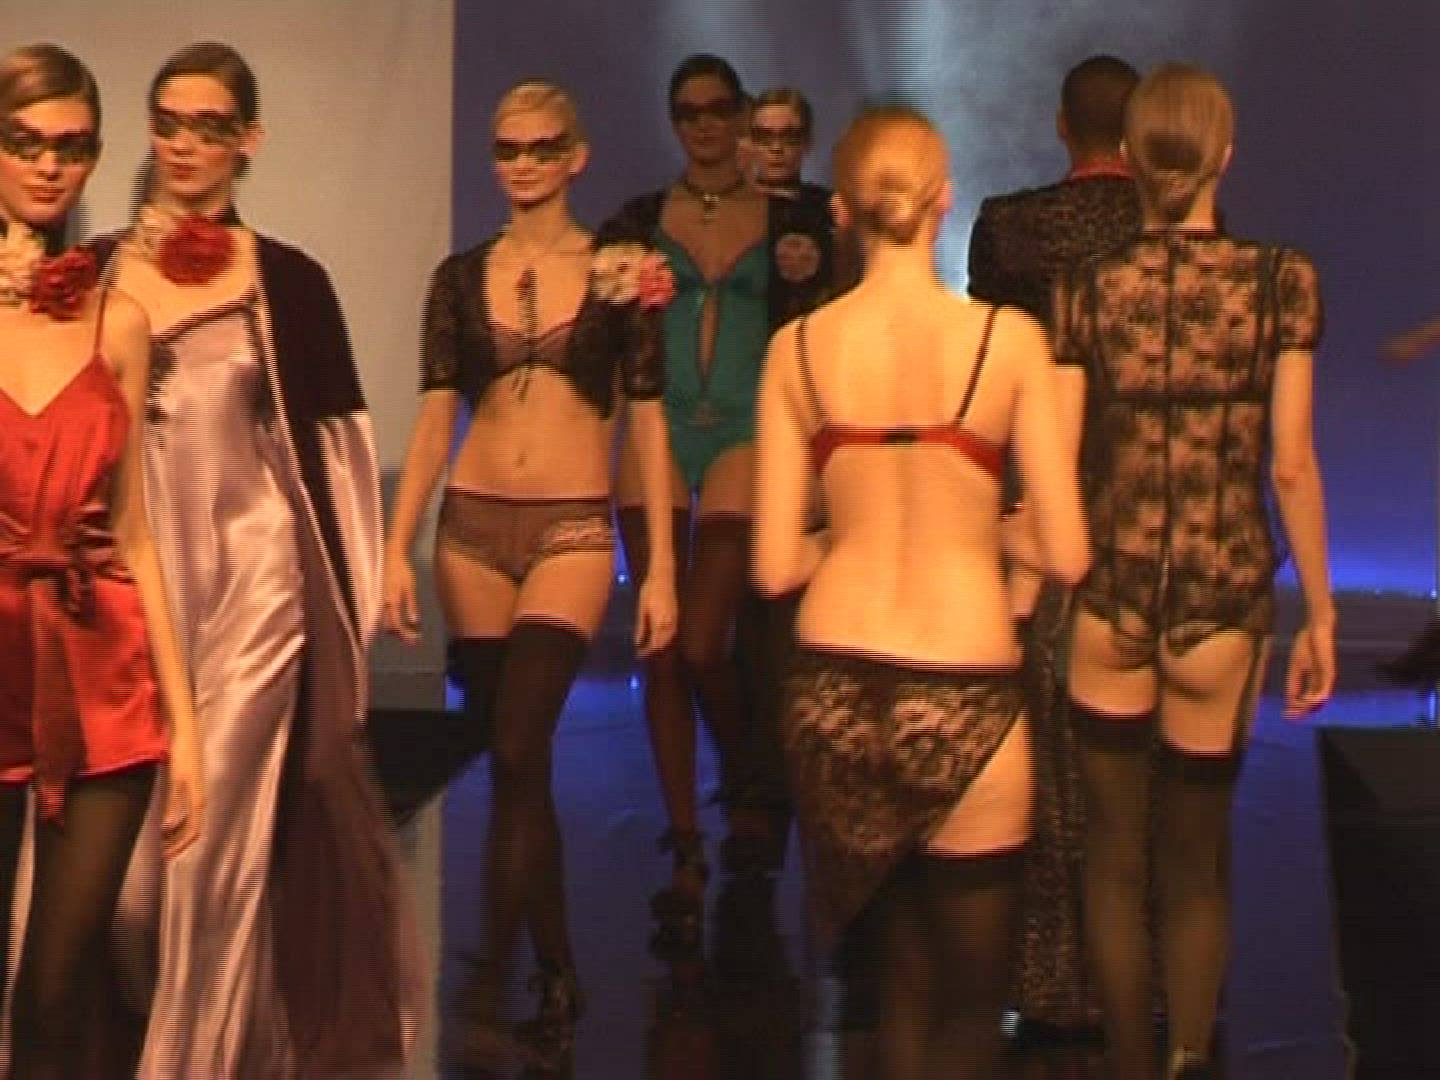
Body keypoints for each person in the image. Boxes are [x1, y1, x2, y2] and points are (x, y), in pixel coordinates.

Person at [91, 41, 419, 1078]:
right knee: (131, 893)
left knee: (209, 852)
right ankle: (242, 1049)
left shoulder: (289, 282)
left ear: (249, 141)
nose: (185, 144)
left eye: (209, 126)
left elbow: (334, 456)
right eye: (169, 123)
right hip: (133, 593)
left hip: (254, 583)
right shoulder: (93, 270)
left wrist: (352, 601)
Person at [754, 103, 1089, 1079]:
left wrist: (848, 532)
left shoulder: (796, 350)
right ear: (945, 202)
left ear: (842, 213)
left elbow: (772, 566)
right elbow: (1069, 553)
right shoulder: (1007, 342)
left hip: (836, 686)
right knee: (970, 1009)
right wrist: (989, 530)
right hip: (962, 675)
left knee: (893, 987)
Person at [382, 79, 678, 1071]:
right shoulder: (459, 277)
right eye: (508, 149)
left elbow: (648, 424)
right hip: (471, 532)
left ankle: (488, 974)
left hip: (572, 530)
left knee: (516, 745)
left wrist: (662, 570)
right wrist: (394, 544)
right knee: (521, 766)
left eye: (543, 147)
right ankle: (554, 972)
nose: (523, 164)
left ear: (576, 156)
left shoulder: (620, 274)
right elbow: (435, 417)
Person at [1051, 64, 1334, 1080]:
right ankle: (1183, 1062)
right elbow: (1290, 465)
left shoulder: (1084, 288)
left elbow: (1063, 461)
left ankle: (1130, 1064)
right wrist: (1323, 615)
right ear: (1226, 153)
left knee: (1112, 863)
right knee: (1195, 865)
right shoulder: (1279, 280)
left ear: (1127, 157)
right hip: (1222, 597)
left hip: (1111, 596)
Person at [601, 54, 834, 961]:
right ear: (675, 122)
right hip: (658, 426)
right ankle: (687, 840)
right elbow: (609, 343)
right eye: (687, 111)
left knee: (704, 640)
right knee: (661, 646)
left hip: (746, 427)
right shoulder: (635, 223)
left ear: (740, 116)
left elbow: (822, 334)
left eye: (716, 109)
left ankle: (750, 779)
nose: (703, 124)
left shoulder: (793, 219)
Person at [0, 43, 202, 1078]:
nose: (50, 165)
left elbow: (134, 533)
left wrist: (188, 726)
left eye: (72, 147)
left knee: (55, 994)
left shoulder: (118, 321)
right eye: (26, 141)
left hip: (100, 673)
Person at [965, 53, 1141, 1035]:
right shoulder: (1176, 234)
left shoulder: (1010, 229)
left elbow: (988, 375)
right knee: (1144, 765)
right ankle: (1148, 987)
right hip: (1153, 514)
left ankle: (1049, 982)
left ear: (1062, 127)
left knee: (1043, 742)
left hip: (1043, 506)